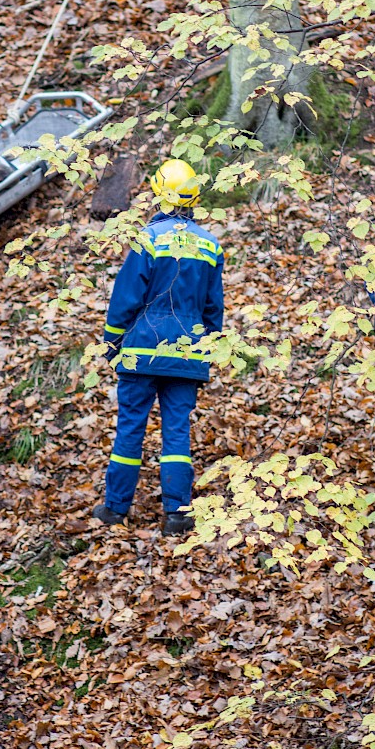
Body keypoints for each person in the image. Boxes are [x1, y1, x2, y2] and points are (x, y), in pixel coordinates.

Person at [91, 159, 225, 535]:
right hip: (187, 354)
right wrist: (209, 346)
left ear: (160, 195)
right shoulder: (210, 246)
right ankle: (177, 514)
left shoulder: (147, 240)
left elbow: (126, 298)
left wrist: (112, 341)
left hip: (142, 352)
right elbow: (213, 307)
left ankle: (116, 509)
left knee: (130, 428)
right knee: (177, 432)